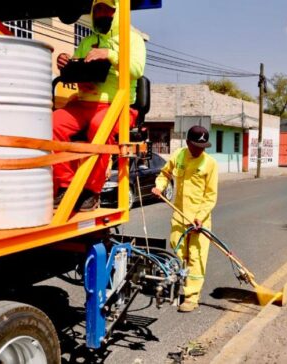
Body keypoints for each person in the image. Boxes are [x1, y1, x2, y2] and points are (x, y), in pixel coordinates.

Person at [53, 0, 146, 211]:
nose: (102, 14)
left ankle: (92, 191)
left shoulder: (133, 39)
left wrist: (110, 55)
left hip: (117, 105)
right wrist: (66, 64)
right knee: (52, 123)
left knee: (98, 125)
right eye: (98, 10)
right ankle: (65, 186)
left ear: (118, 13)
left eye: (108, 10)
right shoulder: (87, 41)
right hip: (83, 102)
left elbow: (137, 70)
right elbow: (77, 69)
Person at [152, 126, 219, 312]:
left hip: (200, 220)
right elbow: (164, 174)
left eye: (203, 146)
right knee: (179, 254)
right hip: (179, 217)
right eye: (197, 145)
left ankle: (191, 297)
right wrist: (159, 186)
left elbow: (211, 195)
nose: (200, 149)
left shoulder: (210, 164)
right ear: (188, 142)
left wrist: (200, 217)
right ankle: (178, 286)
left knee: (196, 258)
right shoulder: (178, 156)